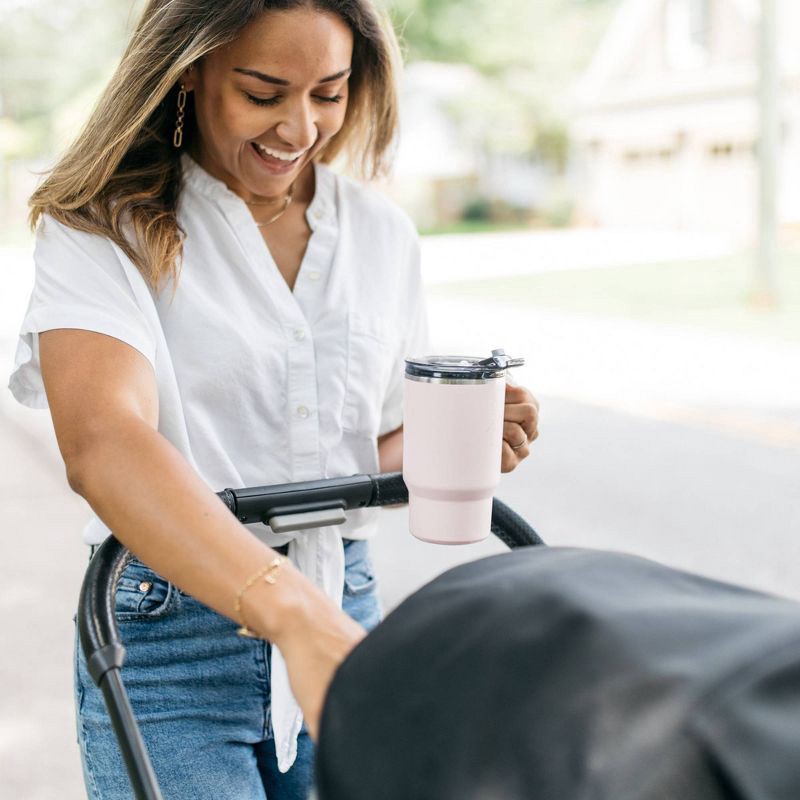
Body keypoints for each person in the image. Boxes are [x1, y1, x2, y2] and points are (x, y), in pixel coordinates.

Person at [8, 1, 540, 798]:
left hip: (343, 605)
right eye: (263, 93)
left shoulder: (382, 235)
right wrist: (293, 616)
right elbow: (104, 444)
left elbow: (361, 450)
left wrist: (456, 442)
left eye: (329, 93)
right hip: (172, 639)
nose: (300, 128)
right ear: (189, 72)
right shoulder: (102, 226)